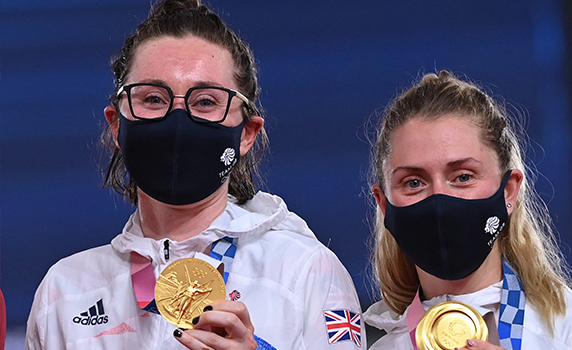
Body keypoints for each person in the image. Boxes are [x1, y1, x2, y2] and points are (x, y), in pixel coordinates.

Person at [25, 1, 365, 349]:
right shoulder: (65, 292)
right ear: (117, 126)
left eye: (205, 102)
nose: (178, 121)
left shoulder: (305, 271)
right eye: (154, 98)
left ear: (247, 133)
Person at [363, 71, 572, 349]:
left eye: (463, 177)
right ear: (384, 203)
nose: (439, 200)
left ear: (509, 190)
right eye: (413, 182)